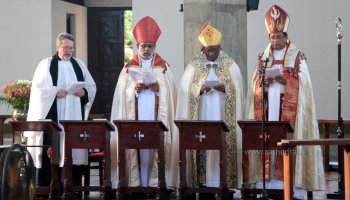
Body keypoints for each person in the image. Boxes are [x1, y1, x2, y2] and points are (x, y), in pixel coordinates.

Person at [245, 5, 326, 198]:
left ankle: (292, 186)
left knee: (286, 144)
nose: (275, 41)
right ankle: (267, 182)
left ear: (286, 36)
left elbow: (305, 84)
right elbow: (253, 86)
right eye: (272, 37)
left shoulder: (297, 58)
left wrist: (287, 81)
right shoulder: (263, 58)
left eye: (279, 37)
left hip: (288, 113)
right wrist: (262, 83)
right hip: (268, 112)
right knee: (268, 145)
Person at [110, 16, 178, 195]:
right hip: (136, 117)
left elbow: (171, 94)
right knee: (137, 144)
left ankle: (157, 182)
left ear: (155, 46)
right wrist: (135, 89)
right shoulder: (128, 69)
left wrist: (158, 89)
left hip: (155, 119)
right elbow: (121, 97)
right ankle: (135, 182)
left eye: (150, 46)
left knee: (154, 145)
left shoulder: (164, 68)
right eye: (143, 46)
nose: (147, 49)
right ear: (138, 46)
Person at [176, 23, 244, 198]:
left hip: (222, 116)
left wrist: (225, 88)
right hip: (202, 115)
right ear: (203, 49)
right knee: (203, 146)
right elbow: (186, 92)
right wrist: (198, 89)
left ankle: (224, 182)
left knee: (220, 144)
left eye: (214, 50)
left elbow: (237, 89)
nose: (211, 53)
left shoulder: (230, 65)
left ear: (220, 47)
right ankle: (202, 181)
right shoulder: (194, 66)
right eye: (208, 50)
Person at [25, 33, 96, 188]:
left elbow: (91, 86)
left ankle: (73, 186)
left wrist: (83, 92)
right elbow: (38, 89)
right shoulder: (46, 64)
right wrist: (54, 92)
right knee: (51, 150)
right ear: (57, 47)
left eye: (71, 48)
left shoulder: (79, 64)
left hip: (74, 114)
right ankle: (47, 187)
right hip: (53, 115)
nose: (69, 51)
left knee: (73, 150)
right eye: (65, 47)